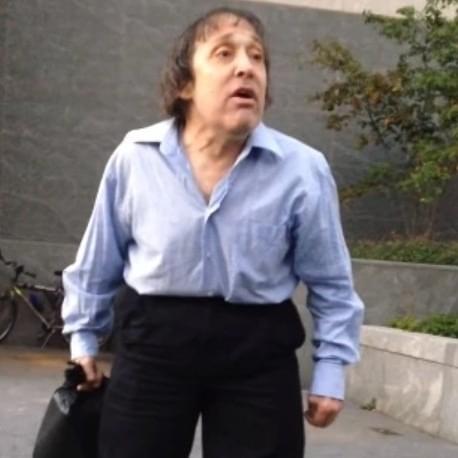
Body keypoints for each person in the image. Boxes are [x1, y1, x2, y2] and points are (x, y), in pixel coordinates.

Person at [62, 6, 364, 458]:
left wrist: (331, 370)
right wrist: (84, 338)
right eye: (224, 54)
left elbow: (332, 282)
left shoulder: (302, 170)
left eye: (257, 57)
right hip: (153, 347)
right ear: (185, 84)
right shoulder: (136, 158)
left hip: (258, 354)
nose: (247, 67)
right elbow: (97, 262)